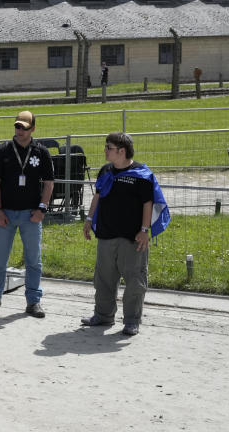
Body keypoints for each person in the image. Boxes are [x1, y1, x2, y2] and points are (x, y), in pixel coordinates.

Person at [81, 132, 170, 336]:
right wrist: (88, 219)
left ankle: (131, 321)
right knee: (103, 279)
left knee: (135, 281)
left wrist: (144, 231)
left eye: (108, 147)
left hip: (133, 238)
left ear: (121, 151)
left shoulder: (142, 174)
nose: (104, 150)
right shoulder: (105, 171)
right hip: (106, 235)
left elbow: (148, 204)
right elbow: (97, 197)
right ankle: (103, 316)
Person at [0, 110, 55, 318]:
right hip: (5, 213)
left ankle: (33, 301)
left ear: (33, 128)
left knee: (34, 260)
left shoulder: (41, 152)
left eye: (24, 127)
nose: (19, 130)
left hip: (31, 215)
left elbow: (49, 184)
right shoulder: (2, 151)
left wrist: (42, 209)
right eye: (17, 126)